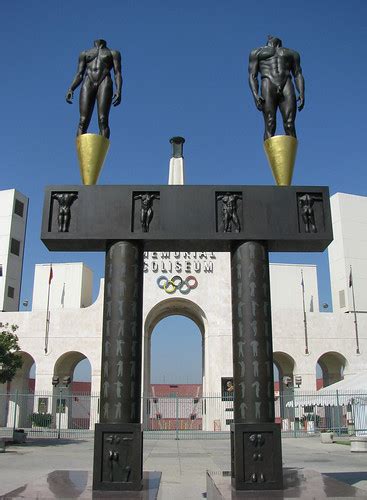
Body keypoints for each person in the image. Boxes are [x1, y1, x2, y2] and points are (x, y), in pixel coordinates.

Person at [248, 35, 305, 140]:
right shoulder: (257, 52)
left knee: (290, 124)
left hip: (286, 83)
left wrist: (301, 93)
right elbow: (252, 75)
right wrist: (255, 95)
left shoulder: (292, 53)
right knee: (270, 123)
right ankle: (271, 156)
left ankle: (290, 155)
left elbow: (297, 74)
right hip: (268, 83)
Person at [66, 39, 122, 138]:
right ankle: (81, 152)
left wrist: (118, 90)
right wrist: (71, 88)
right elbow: (79, 74)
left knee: (103, 119)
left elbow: (117, 73)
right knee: (82, 120)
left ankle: (102, 152)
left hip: (104, 81)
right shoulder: (85, 53)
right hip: (88, 81)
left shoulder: (113, 53)